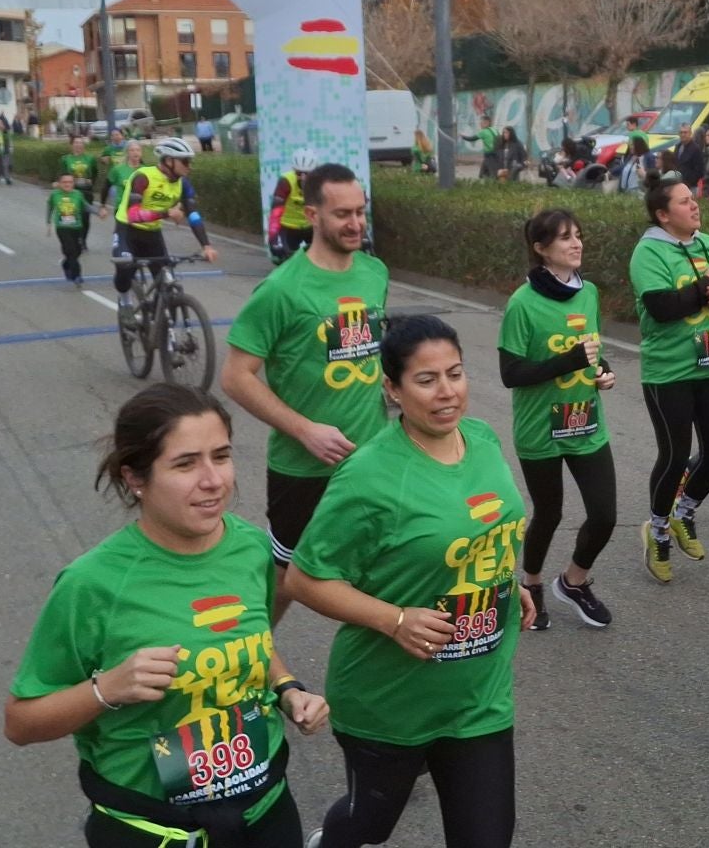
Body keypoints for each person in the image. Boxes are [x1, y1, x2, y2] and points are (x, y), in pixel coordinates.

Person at [5, 384, 331, 848]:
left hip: (264, 807)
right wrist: (107, 689)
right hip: (150, 828)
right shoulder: (92, 584)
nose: (214, 480)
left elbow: (249, 639)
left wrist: (287, 689)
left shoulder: (250, 547)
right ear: (135, 477)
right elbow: (20, 723)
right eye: (185, 463)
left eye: (221, 456)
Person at [285, 316, 532, 848]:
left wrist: (510, 583)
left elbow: (491, 533)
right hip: (388, 702)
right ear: (392, 389)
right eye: (427, 380)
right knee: (367, 825)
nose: (447, 392)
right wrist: (394, 619)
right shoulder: (369, 475)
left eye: (456, 373)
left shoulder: (483, 439)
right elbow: (304, 579)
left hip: (478, 697)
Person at [221, 164, 386, 584]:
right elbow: (236, 377)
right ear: (312, 216)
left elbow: (363, 350)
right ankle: (259, 649)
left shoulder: (374, 272)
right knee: (289, 580)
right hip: (303, 467)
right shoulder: (281, 290)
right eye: (343, 214)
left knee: (383, 572)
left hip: (372, 456)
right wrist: (305, 430)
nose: (356, 224)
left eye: (360, 212)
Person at [499, 210, 618, 629]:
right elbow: (511, 374)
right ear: (540, 248)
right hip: (539, 429)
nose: (576, 243)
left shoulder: (589, 294)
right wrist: (567, 361)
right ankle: (530, 584)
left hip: (586, 422)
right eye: (565, 238)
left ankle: (573, 582)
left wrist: (600, 372)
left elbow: (590, 350)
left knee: (604, 514)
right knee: (549, 513)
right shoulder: (522, 304)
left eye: (579, 235)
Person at [629, 173, 709, 582]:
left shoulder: (708, 243)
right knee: (675, 456)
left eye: (692, 199)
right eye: (683, 202)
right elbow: (662, 306)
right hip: (669, 372)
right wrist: (704, 288)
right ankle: (657, 532)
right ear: (663, 215)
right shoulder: (648, 253)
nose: (694, 205)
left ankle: (684, 512)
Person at [112, 138, 221, 321]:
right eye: (185, 161)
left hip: (152, 233)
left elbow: (193, 214)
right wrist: (166, 213)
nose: (189, 166)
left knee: (165, 281)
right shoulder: (143, 177)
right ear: (169, 161)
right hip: (128, 230)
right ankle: (125, 302)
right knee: (124, 267)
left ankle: (157, 319)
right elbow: (134, 214)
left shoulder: (183, 183)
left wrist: (206, 245)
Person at [267, 149, 319, 263]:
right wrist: (273, 239)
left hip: (311, 226)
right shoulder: (286, 181)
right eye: (299, 173)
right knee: (283, 260)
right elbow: (276, 212)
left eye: (307, 173)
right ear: (294, 169)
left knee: (321, 259)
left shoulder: (321, 181)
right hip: (288, 227)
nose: (303, 177)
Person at [49, 172, 91, 285]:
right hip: (62, 227)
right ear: (59, 183)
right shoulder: (55, 195)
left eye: (70, 182)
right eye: (64, 182)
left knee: (77, 251)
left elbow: (86, 206)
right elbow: (50, 208)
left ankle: (66, 264)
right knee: (71, 251)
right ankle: (76, 275)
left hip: (76, 227)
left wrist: (99, 212)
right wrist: (48, 224)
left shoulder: (78, 194)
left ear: (74, 183)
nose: (67, 184)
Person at [103, 141, 146, 212]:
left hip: (140, 211)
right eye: (132, 150)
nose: (135, 152)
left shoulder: (146, 170)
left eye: (138, 150)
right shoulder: (117, 169)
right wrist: (103, 206)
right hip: (122, 210)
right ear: (127, 153)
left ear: (141, 153)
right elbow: (106, 187)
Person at [62, 135, 100, 207]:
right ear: (72, 145)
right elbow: (62, 175)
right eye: (76, 143)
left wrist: (91, 181)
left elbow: (95, 172)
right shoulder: (65, 159)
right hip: (71, 191)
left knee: (85, 215)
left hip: (86, 191)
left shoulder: (90, 158)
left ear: (83, 145)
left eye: (81, 143)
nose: (78, 145)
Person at [462, 112, 500, 179]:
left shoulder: (483, 132)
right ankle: (488, 184)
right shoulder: (495, 130)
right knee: (484, 173)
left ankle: (492, 186)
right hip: (496, 154)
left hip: (489, 155)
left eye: (481, 123)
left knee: (490, 174)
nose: (480, 125)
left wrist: (462, 136)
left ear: (487, 123)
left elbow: (472, 139)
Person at [675, 126, 707, 196]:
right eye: (681, 132)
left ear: (690, 134)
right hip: (678, 185)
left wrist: (689, 182)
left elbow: (700, 170)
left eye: (685, 132)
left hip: (690, 187)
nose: (683, 134)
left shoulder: (695, 149)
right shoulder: (678, 147)